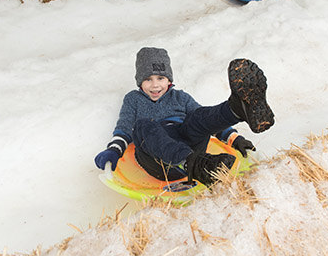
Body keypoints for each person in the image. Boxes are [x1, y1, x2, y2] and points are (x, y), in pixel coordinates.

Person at [94, 47, 275, 187]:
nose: (155, 85)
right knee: (142, 126)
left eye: (160, 78)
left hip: (190, 146)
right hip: (160, 159)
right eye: (148, 79)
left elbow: (205, 120)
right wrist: (114, 150)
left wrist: (235, 139)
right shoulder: (133, 99)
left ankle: (236, 109)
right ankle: (193, 165)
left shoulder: (180, 97)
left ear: (169, 79)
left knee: (196, 117)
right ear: (139, 81)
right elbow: (125, 127)